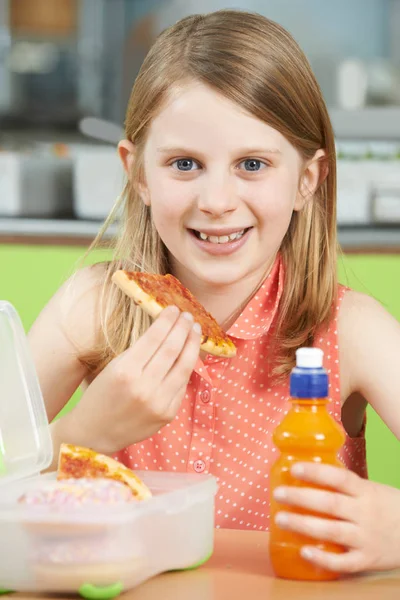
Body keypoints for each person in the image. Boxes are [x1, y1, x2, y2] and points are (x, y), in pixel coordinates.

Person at [29, 10, 400, 575]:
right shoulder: (94, 308)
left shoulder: (352, 331)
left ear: (307, 180)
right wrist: (85, 435)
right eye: (185, 164)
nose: (217, 200)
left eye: (252, 164)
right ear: (139, 175)